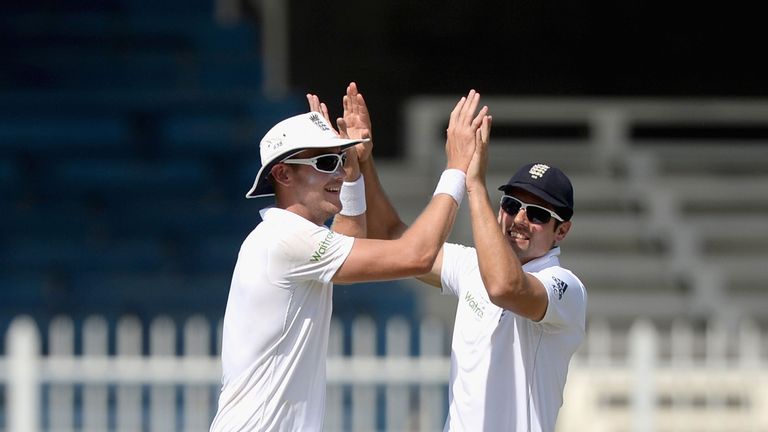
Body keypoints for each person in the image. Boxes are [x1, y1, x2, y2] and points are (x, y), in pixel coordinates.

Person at [209, 89, 489, 431]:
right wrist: (457, 169)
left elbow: (350, 243)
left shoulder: (286, 236)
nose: (338, 174)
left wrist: (355, 170)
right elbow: (416, 255)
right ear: (283, 175)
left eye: (338, 161)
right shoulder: (286, 238)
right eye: (325, 163)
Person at [346, 82, 587, 431]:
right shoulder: (473, 265)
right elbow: (392, 237)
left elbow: (504, 287)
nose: (519, 219)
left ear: (561, 231)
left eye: (537, 214)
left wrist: (472, 182)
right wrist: (365, 161)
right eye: (511, 204)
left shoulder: (565, 287)